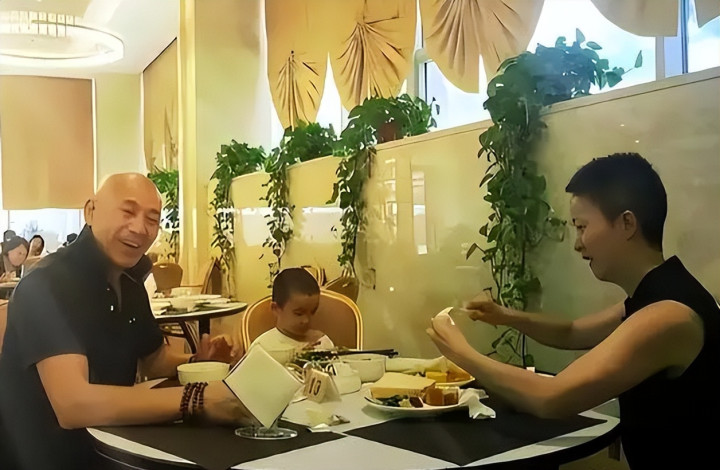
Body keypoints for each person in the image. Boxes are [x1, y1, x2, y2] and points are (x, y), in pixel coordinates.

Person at [427, 153, 719, 469]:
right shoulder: (656, 294)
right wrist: (504, 315)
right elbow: (573, 332)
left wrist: (461, 353)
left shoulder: (669, 315)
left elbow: (551, 398)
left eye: (582, 227)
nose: (578, 244)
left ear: (627, 223)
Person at [0, 173, 251, 470]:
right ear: (91, 211)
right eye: (128, 212)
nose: (140, 228)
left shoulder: (129, 282)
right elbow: (73, 404)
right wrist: (197, 399)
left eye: (152, 219)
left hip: (116, 444)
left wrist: (197, 361)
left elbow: (154, 361)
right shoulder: (46, 284)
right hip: (50, 455)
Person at [250, 267, 334, 352]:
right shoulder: (261, 348)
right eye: (299, 313)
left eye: (313, 312)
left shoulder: (321, 341)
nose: (306, 320)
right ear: (276, 309)